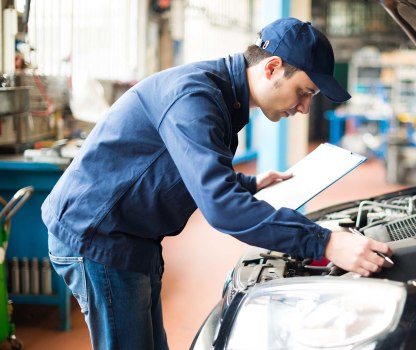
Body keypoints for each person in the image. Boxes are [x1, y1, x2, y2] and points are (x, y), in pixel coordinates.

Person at [42, 17, 393, 350]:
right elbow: (221, 207)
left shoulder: (225, 97)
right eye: (304, 92)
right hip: (98, 235)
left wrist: (249, 183)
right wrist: (326, 243)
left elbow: (183, 165)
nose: (303, 108)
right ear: (271, 68)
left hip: (133, 234)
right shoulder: (195, 97)